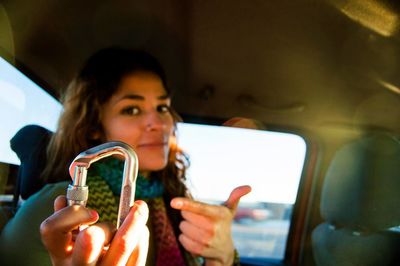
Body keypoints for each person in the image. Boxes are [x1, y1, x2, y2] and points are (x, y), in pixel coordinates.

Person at [0, 47, 251, 265]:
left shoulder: (174, 201)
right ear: (94, 127)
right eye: (131, 109)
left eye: (162, 107)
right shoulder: (57, 211)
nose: (160, 123)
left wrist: (222, 258)